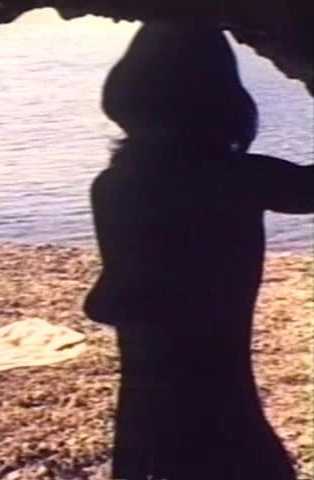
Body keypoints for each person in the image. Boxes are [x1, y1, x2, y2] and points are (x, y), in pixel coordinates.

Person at [83, 21, 313, 480]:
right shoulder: (238, 177)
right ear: (224, 99)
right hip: (216, 377)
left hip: (146, 380)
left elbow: (112, 295)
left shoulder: (113, 184)